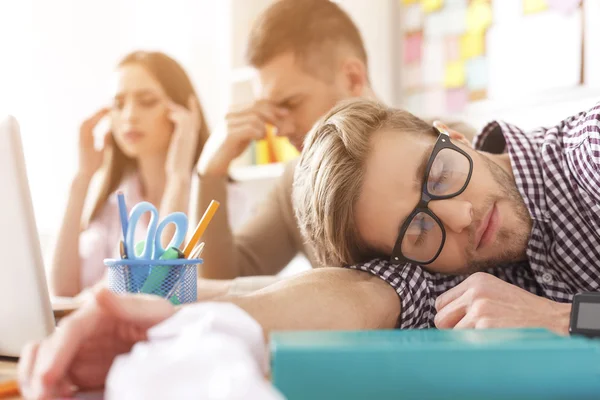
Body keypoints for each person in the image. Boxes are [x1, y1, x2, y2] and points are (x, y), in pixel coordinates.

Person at [194, 0, 474, 280]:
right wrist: (209, 172)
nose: (278, 130)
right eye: (271, 110)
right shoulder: (295, 182)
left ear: (352, 78)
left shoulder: (450, 150)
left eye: (291, 103)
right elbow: (221, 279)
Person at [294, 98, 600, 331]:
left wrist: (560, 317)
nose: (461, 218)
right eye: (419, 231)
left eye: (440, 175)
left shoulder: (592, 148)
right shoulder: (452, 279)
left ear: (454, 137)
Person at [49, 51, 210, 297]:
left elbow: (160, 283)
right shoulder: (115, 205)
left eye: (146, 101)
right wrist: (82, 179)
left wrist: (178, 177)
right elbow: (62, 291)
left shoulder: (216, 200)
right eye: (118, 104)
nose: (129, 115)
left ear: (186, 112)